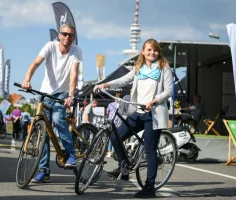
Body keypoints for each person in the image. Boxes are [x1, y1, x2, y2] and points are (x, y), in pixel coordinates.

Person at [94, 39, 173, 198]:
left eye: (155, 50)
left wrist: (154, 101)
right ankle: (123, 166)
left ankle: (150, 187)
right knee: (115, 136)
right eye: (149, 50)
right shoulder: (139, 68)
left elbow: (169, 90)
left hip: (154, 113)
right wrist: (105, 85)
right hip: (138, 112)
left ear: (158, 52)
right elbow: (124, 80)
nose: (152, 53)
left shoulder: (164, 67)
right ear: (143, 52)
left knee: (149, 150)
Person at [21, 23, 82, 183]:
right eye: (65, 34)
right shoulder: (50, 46)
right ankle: (43, 170)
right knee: (43, 133)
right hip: (45, 93)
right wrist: (27, 79)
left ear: (73, 38)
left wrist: (70, 95)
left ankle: (71, 155)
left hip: (62, 94)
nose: (68, 37)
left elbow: (74, 73)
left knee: (57, 119)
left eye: (71, 35)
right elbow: (35, 63)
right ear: (59, 35)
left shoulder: (76, 51)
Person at [106, 93, 121, 157]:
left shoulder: (110, 104)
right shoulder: (120, 105)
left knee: (110, 137)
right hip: (118, 122)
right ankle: (114, 151)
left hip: (111, 122)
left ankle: (109, 151)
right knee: (116, 137)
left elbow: (107, 113)